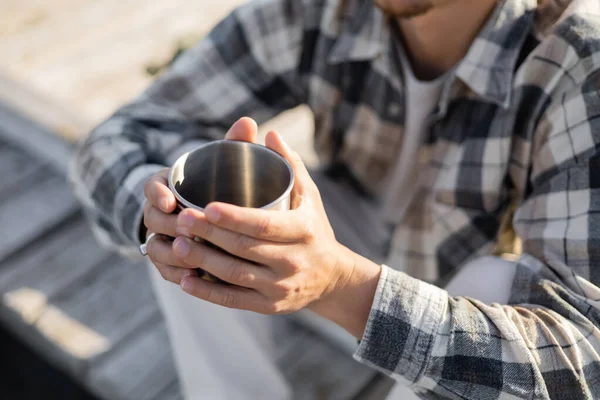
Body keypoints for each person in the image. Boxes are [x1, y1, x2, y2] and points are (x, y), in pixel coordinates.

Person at [69, 0, 600, 398]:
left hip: (459, 293)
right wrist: (159, 226)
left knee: (498, 282)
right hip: (349, 223)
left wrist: (342, 286)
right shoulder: (322, 7)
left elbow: (586, 355)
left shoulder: (579, 60)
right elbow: (117, 139)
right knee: (195, 194)